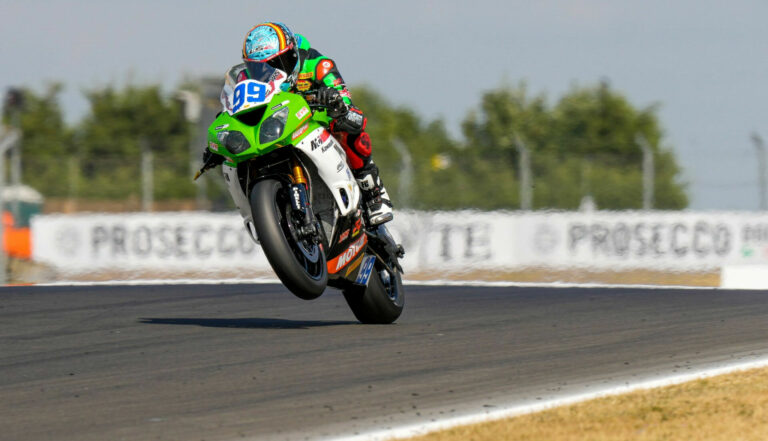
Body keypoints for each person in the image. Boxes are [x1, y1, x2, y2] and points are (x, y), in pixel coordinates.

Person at [210, 22, 394, 226]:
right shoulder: (245, 79)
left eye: (278, 63)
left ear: (293, 55)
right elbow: (231, 108)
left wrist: (335, 100)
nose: (270, 72)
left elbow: (345, 100)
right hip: (275, 131)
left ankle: (374, 192)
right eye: (259, 68)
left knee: (350, 124)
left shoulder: (317, 65)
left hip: (316, 123)